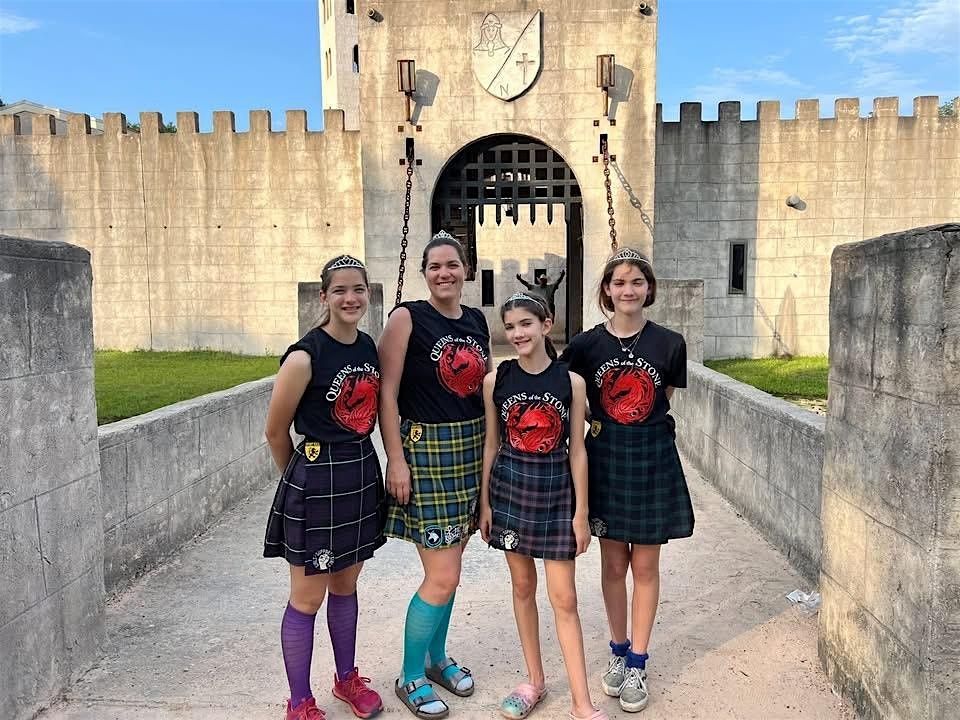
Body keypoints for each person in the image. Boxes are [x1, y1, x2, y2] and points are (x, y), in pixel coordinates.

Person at [559, 247, 693, 714]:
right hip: (607, 456)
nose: (628, 290)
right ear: (606, 291)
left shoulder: (669, 343)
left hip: (652, 455)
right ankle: (617, 651)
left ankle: (639, 659)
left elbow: (664, 397)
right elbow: (573, 398)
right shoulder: (585, 346)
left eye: (637, 281)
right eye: (619, 282)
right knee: (614, 565)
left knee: (646, 567)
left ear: (648, 289)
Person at [263, 254, 386, 720]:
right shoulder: (304, 356)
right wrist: (298, 482)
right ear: (324, 297)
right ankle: (299, 702)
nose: (350, 298)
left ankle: (346, 679)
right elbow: (276, 432)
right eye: (340, 290)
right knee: (307, 596)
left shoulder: (368, 347)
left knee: (346, 584)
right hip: (316, 479)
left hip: (358, 472)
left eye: (358, 289)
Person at [378, 230, 492, 719]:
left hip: (469, 451)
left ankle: (436, 659)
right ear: (424, 273)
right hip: (426, 451)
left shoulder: (476, 320)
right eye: (434, 266)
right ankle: (409, 676)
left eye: (452, 264)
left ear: (465, 270)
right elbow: (386, 392)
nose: (444, 273)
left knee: (452, 568)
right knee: (440, 575)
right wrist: (395, 459)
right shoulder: (407, 318)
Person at [478, 292, 607, 720]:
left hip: (555, 494)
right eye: (511, 326)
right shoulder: (497, 380)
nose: (518, 334)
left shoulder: (570, 382)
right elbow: (492, 444)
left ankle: (581, 701)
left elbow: (576, 451)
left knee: (564, 598)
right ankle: (534, 680)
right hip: (511, 490)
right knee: (521, 587)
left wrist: (581, 513)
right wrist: (485, 504)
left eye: (526, 325)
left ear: (546, 324)